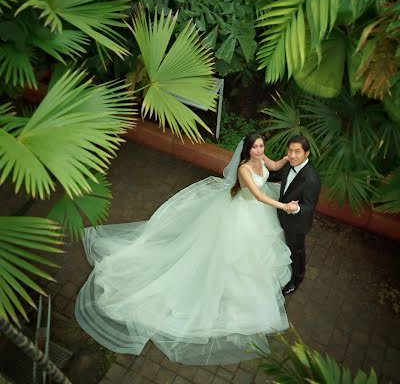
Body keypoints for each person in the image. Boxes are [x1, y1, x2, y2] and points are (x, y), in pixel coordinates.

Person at [75, 132, 297, 365]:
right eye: (256, 148)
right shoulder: (243, 169)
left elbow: (273, 165)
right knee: (227, 251)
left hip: (256, 216)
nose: (260, 151)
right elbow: (259, 195)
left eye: (262, 146)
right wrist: (284, 206)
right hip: (242, 213)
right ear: (247, 150)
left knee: (252, 253)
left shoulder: (261, 158)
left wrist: (286, 159)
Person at [267, 134, 321, 295]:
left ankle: (297, 278)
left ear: (307, 153)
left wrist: (296, 209)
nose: (292, 155)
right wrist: (256, 175)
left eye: (297, 151)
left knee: (296, 250)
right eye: (290, 150)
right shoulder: (289, 164)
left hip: (297, 223)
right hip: (282, 213)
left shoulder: (311, 180)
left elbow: (309, 208)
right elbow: (276, 176)